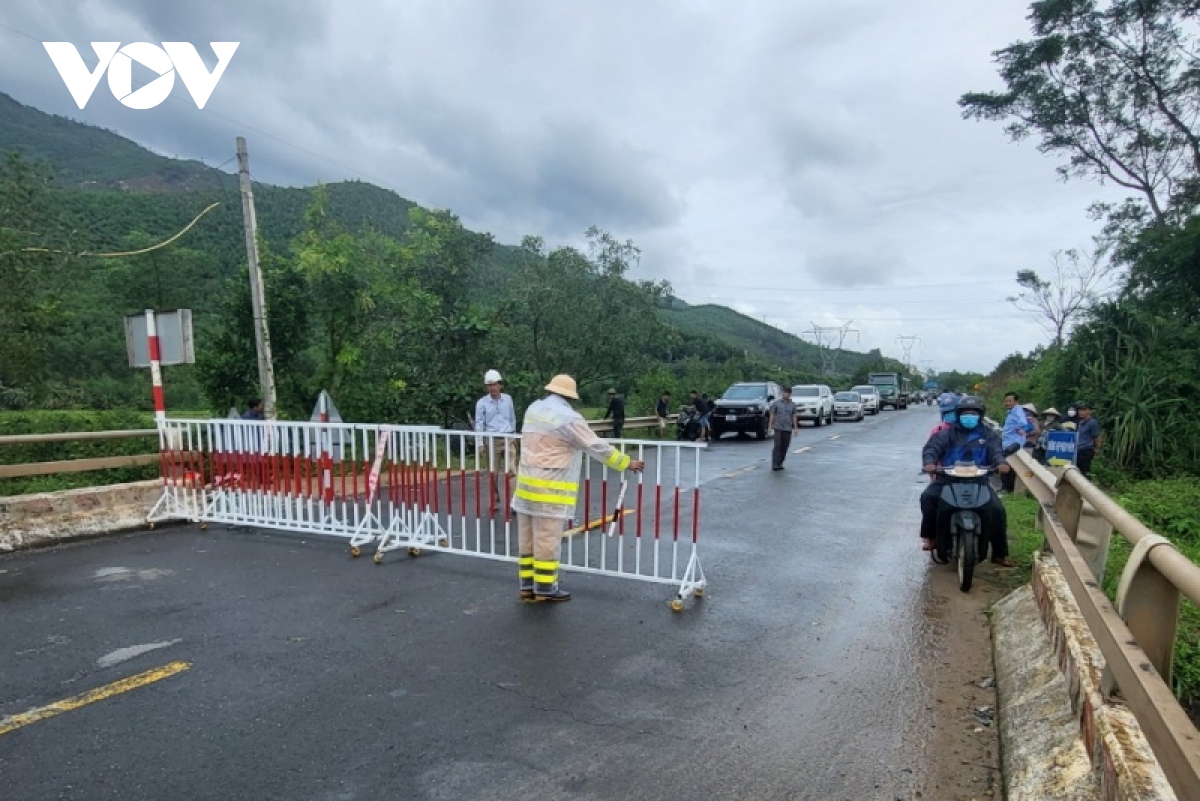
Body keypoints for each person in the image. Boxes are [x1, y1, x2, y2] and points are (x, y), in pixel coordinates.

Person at [513, 375, 645, 602]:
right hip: (549, 489)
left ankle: (527, 586)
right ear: (570, 397)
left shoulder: (533, 409)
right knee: (546, 539)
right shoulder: (567, 418)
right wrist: (626, 462)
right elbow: (595, 445)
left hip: (525, 486)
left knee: (527, 538)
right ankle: (544, 588)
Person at [920, 396, 1015, 567]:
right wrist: (929, 462)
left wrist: (1001, 462)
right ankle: (932, 537)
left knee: (997, 510)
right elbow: (932, 448)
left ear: (980, 415)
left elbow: (996, 451)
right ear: (958, 415)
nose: (969, 417)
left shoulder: (988, 435)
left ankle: (1000, 554)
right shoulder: (946, 434)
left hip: (979, 481)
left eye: (973, 414)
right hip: (947, 479)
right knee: (928, 498)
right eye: (965, 413)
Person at [475, 369, 518, 510]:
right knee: (493, 472)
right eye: (490, 385)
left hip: (508, 437)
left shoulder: (508, 399)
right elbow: (479, 424)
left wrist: (514, 435)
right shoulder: (482, 403)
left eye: (495, 384)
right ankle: (494, 500)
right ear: (486, 387)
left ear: (500, 385)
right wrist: (480, 443)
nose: (492, 387)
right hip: (492, 440)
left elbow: (512, 418)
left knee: (511, 471)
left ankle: (514, 503)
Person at [999, 392, 1030, 493]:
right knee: (1008, 464)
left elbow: (1024, 423)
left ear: (1015, 401)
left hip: (1014, 443)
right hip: (1008, 442)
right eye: (1006, 401)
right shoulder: (1011, 412)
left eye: (1010, 401)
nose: (1007, 403)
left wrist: (1020, 429)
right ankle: (1006, 488)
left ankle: (1006, 488)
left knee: (1007, 465)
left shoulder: (1018, 411)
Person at [767, 386, 799, 470]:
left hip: (787, 428)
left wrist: (795, 428)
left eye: (787, 393)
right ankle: (774, 464)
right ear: (782, 393)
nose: (785, 394)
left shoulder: (792, 405)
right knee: (777, 445)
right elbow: (772, 415)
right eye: (784, 392)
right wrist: (770, 426)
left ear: (790, 394)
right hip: (778, 427)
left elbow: (794, 416)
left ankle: (780, 462)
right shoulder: (776, 403)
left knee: (785, 446)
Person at [1074, 402, 1103, 477]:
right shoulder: (1080, 422)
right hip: (1078, 450)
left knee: (1084, 472)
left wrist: (1097, 449)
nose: (1081, 412)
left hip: (1086, 450)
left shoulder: (1092, 423)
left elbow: (1097, 437)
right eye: (1080, 410)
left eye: (1084, 410)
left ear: (1090, 411)